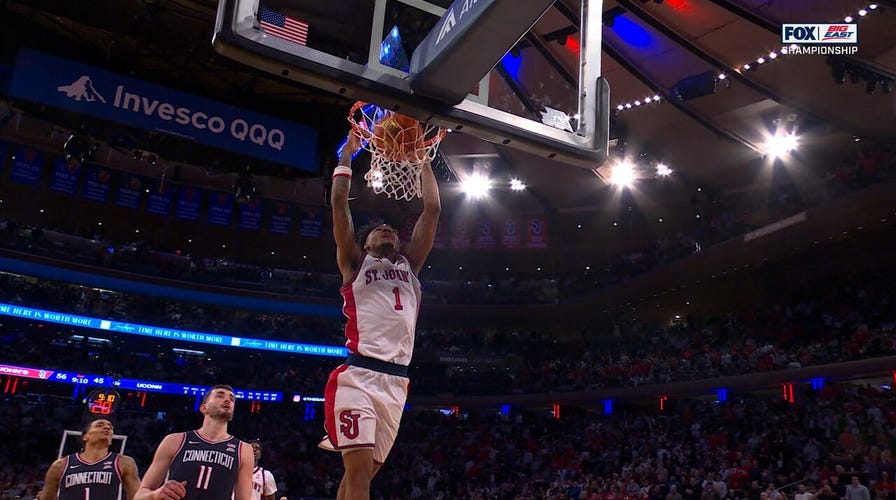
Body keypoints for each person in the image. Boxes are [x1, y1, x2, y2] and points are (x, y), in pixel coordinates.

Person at [320, 126, 441, 500]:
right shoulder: (354, 263)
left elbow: (432, 209)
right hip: (359, 376)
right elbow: (339, 204)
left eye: (391, 229)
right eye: (378, 230)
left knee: (363, 477)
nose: (387, 229)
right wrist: (348, 154)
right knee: (357, 475)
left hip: (397, 383)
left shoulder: (410, 265)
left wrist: (423, 160)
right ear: (364, 242)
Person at [135, 385, 253, 500]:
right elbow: (139, 496)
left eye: (232, 399)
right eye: (220, 396)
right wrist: (156, 494)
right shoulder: (175, 441)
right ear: (203, 408)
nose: (228, 400)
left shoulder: (244, 450)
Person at [41, 418, 142, 500]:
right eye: (100, 425)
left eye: (110, 427)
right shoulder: (60, 465)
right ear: (85, 436)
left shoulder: (124, 462)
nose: (107, 428)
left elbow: (137, 497)